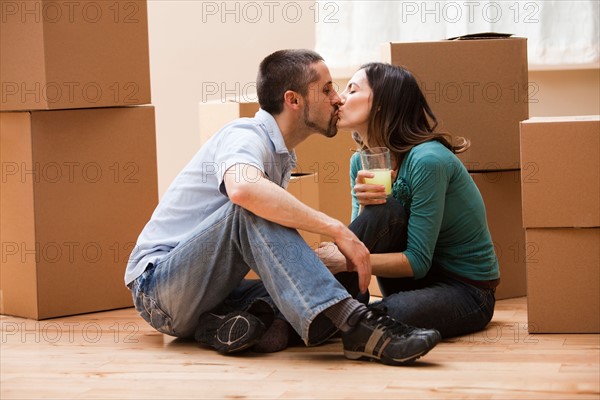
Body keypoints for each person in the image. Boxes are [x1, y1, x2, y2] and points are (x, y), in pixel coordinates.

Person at [125, 50, 441, 366]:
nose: (337, 99)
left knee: (336, 290)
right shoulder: (246, 134)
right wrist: (335, 228)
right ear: (293, 100)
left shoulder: (282, 157)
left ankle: (220, 325)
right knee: (249, 208)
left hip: (210, 294)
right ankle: (359, 327)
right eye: (327, 89)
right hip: (157, 289)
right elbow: (243, 190)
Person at [317, 62, 500, 338]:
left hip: (465, 289)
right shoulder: (360, 162)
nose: (340, 98)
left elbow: (418, 261)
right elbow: (362, 236)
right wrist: (366, 210)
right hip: (405, 283)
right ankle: (309, 313)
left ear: (382, 103)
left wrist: (344, 261)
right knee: (383, 212)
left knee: (377, 319)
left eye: (352, 90)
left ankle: (329, 315)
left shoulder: (428, 160)